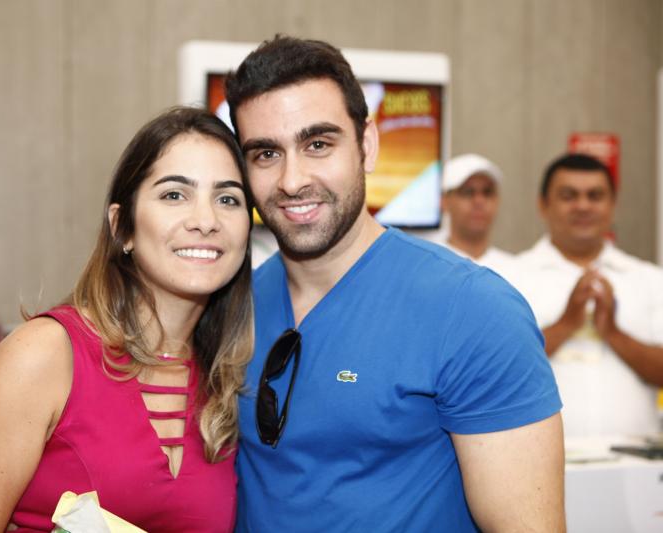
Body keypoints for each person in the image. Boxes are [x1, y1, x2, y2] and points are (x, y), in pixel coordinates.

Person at [224, 36, 564, 532]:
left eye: (318, 144)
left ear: (367, 145)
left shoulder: (473, 310)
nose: (292, 180)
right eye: (266, 153)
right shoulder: (232, 306)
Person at [0, 107, 254, 532]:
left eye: (228, 199)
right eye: (174, 195)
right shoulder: (44, 356)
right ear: (122, 227)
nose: (206, 221)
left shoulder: (227, 380)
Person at [512, 153, 663, 438]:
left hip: (638, 460)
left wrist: (614, 334)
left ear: (613, 205)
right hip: (538, 460)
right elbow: (496, 371)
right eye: (568, 196)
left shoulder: (650, 279)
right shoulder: (509, 278)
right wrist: (566, 325)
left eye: (595, 196)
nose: (583, 206)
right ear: (543, 204)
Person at [440, 153, 515, 273]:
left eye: (487, 192)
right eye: (468, 192)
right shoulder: (430, 266)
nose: (479, 201)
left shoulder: (516, 270)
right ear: (444, 201)